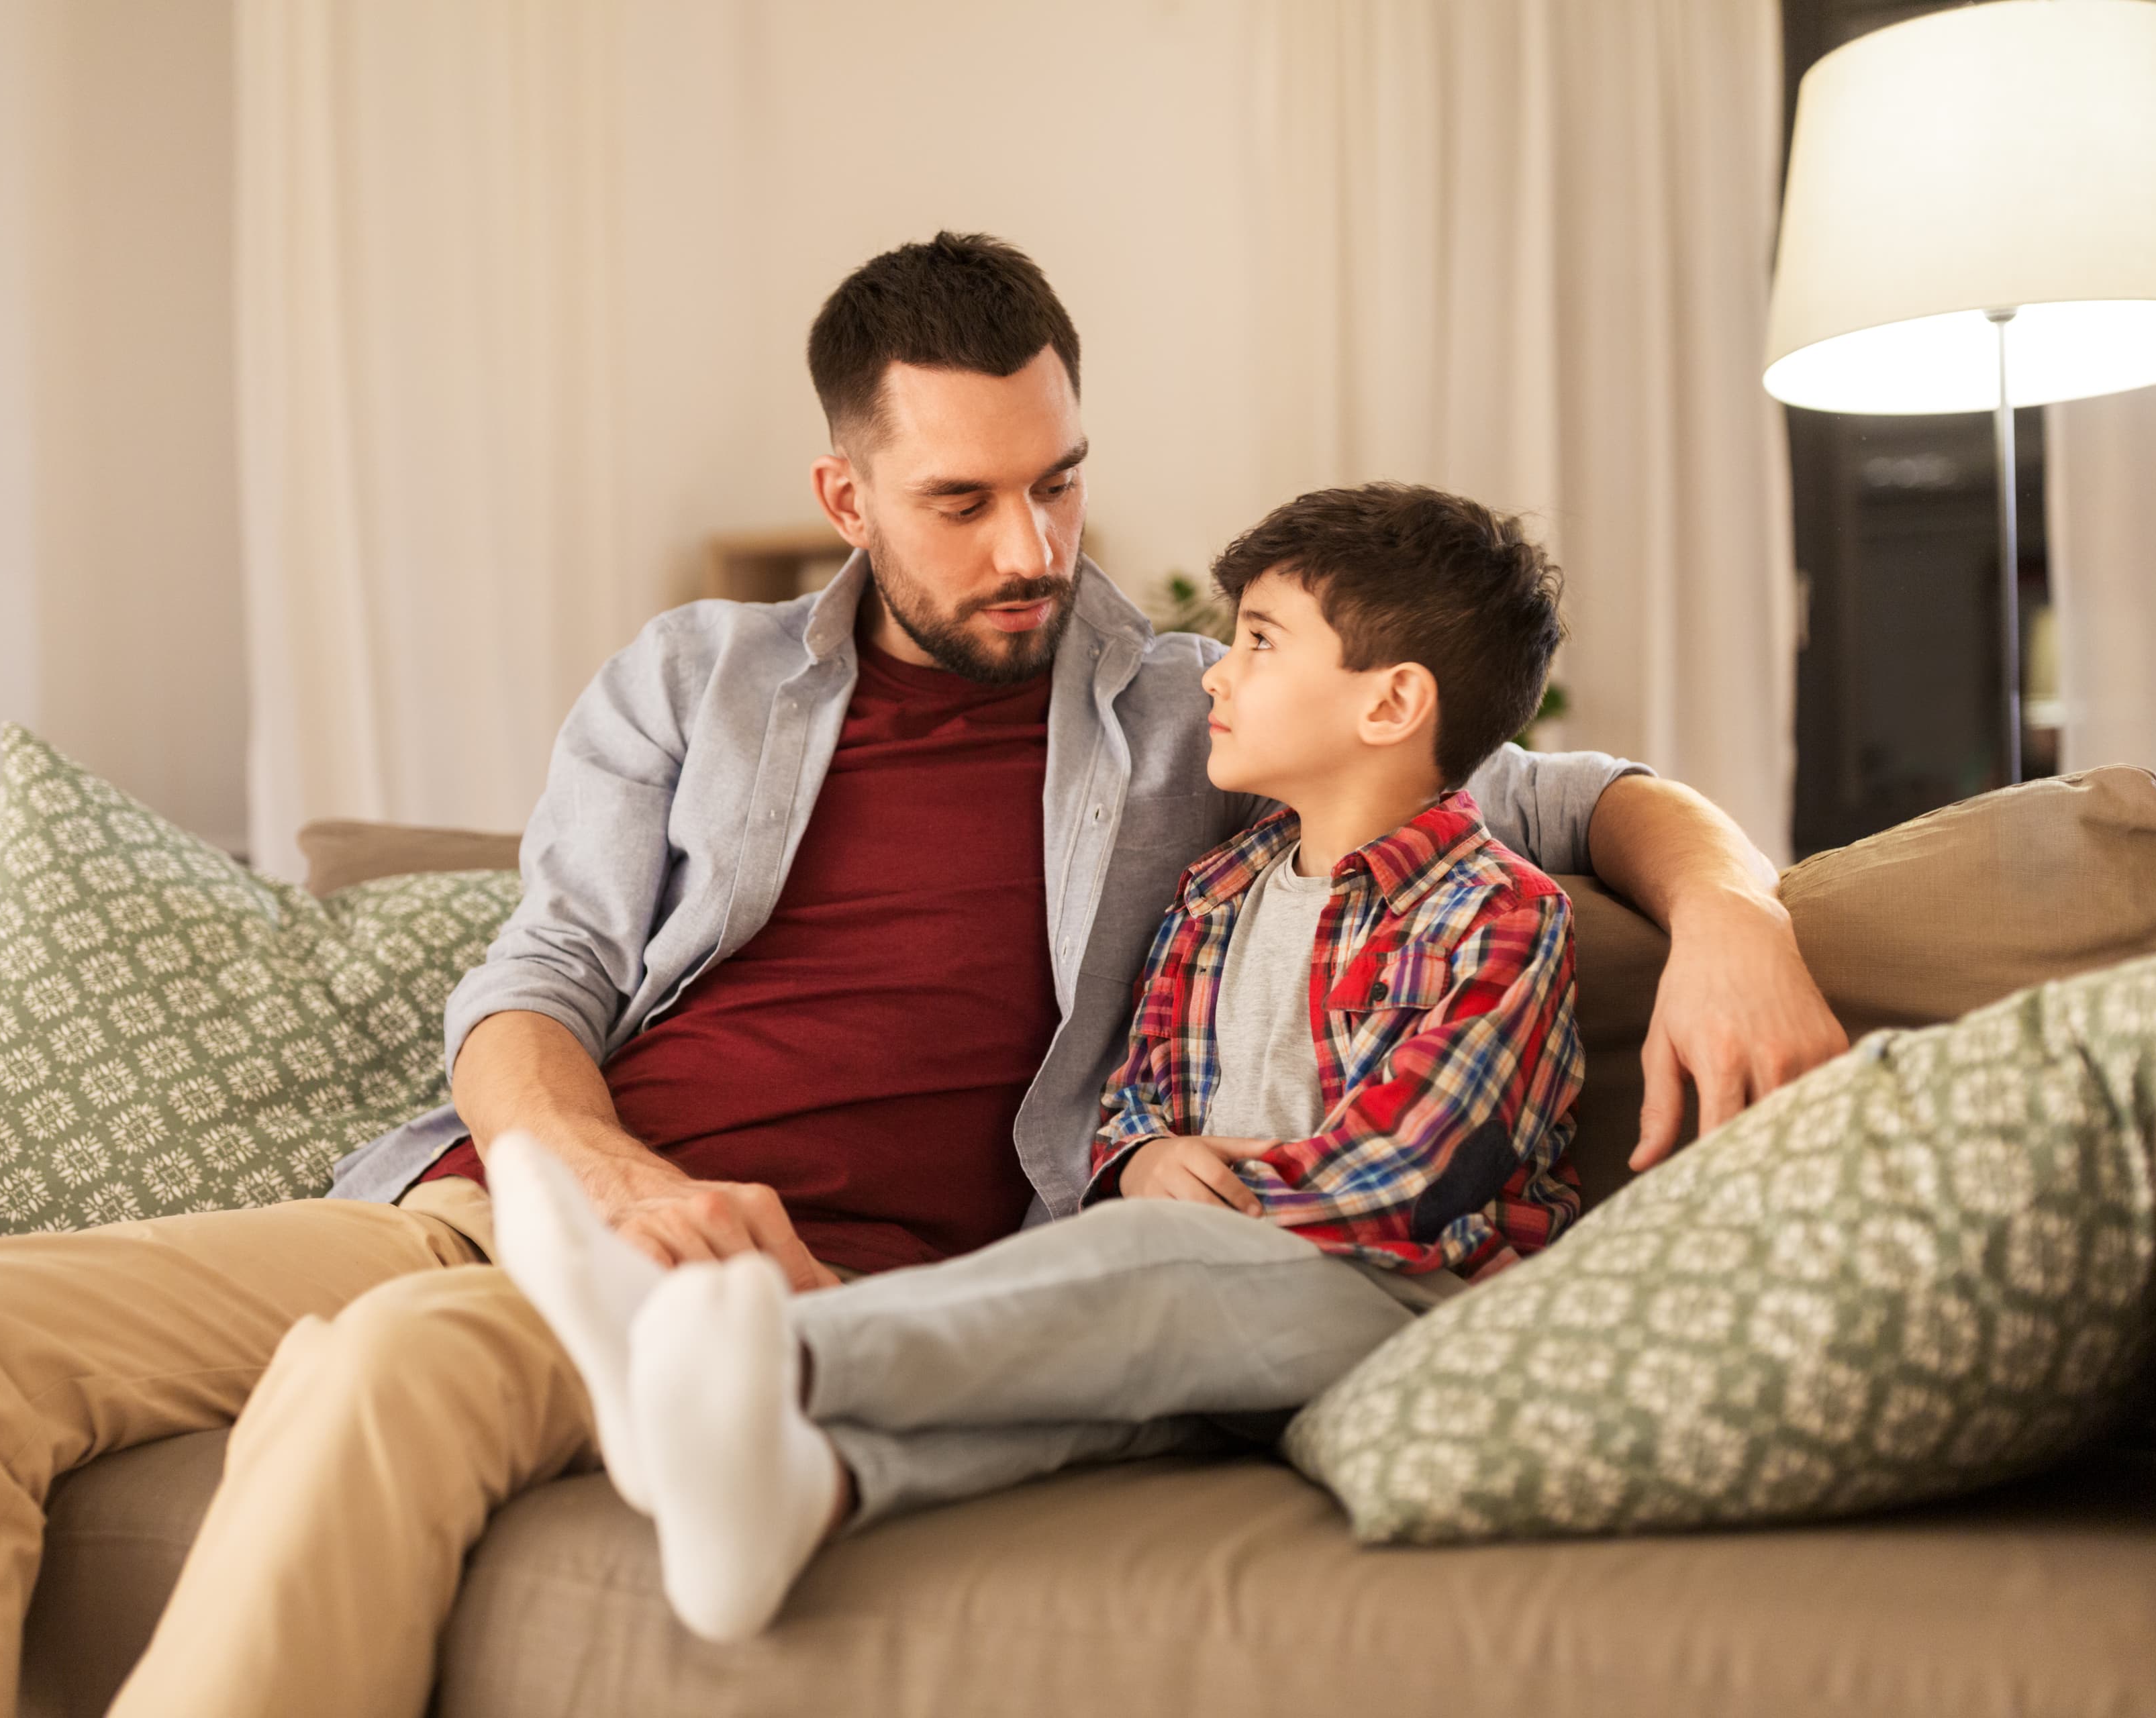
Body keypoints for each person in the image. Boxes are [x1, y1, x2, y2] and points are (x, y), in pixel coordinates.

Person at [0, 234, 1845, 1718]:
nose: (1035, 547)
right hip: (505, 1194)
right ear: (848, 491)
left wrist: (1736, 909)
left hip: (798, 1279)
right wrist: (596, 1163)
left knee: (389, 1387)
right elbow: (535, 967)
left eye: (1064, 478)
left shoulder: (1201, 712)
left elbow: (1551, 786)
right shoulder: (693, 679)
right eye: (969, 498)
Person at [488, 478, 1587, 1641]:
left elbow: (1408, 1175)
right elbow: (1140, 1092)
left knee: (1152, 1274)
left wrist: (1195, 1211)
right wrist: (1143, 1159)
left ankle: (751, 1358)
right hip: (1214, 1309)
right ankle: (803, 1496)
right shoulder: (1219, 891)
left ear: (1391, 704)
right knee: (1077, 1397)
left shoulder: (1494, 916)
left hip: (1407, 1299)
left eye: (1260, 644)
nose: (1214, 672)